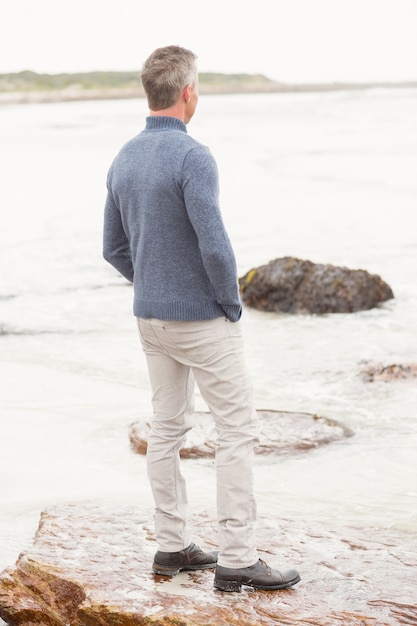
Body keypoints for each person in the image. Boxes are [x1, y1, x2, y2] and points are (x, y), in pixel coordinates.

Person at [103, 45, 300, 592]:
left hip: (149, 319)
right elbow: (215, 247)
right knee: (237, 430)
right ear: (188, 93)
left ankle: (172, 546)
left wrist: (152, 285)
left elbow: (112, 248)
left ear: (152, 93)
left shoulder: (124, 157)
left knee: (166, 428)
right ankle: (236, 556)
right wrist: (229, 303)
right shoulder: (194, 157)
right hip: (201, 320)